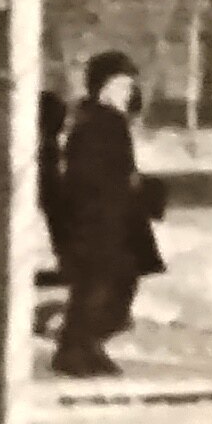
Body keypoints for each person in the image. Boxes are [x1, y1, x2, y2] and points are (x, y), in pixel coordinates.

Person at [47, 52, 163, 380]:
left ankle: (83, 346)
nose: (126, 91)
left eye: (128, 85)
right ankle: (77, 348)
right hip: (99, 222)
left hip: (110, 220)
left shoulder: (108, 122)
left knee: (108, 284)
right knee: (103, 287)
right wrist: (124, 192)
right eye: (118, 85)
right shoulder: (98, 124)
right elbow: (91, 176)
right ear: (101, 88)